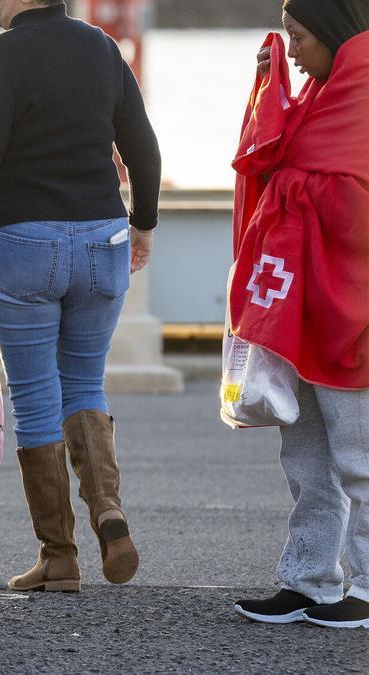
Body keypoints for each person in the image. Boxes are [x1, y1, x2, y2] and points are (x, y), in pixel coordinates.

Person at [0, 0, 161, 593]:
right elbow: (142, 147)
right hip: (101, 239)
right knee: (86, 383)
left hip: (23, 245)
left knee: (37, 400)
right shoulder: (101, 49)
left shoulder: (4, 55)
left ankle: (59, 558)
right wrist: (142, 221)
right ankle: (109, 515)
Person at [232, 0, 369, 629]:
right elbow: (271, 160)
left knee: (360, 457)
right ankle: (309, 579)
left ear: (337, 35)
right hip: (303, 307)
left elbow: (349, 209)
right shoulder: (317, 93)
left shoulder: (359, 99)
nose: (291, 50)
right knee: (306, 454)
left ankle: (365, 590)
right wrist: (270, 89)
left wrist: (296, 183)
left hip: (353, 313)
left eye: (300, 37)